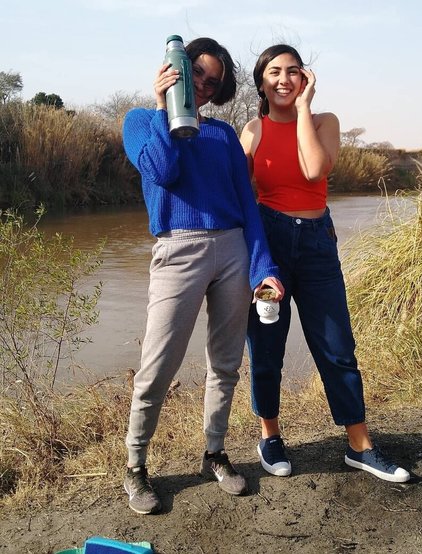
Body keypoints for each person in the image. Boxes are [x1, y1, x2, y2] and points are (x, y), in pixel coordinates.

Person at [122, 37, 284, 515]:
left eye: (213, 82)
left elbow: (247, 205)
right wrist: (164, 109)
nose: (203, 87)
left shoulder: (224, 135)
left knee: (226, 363)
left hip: (232, 248)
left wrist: (264, 267)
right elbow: (163, 170)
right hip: (178, 250)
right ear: (175, 67)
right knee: (157, 366)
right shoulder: (139, 121)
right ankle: (135, 465)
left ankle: (214, 453)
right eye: (196, 73)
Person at [240, 44, 410, 483]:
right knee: (266, 349)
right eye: (274, 72)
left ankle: (360, 446)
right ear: (261, 82)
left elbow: (315, 169)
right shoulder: (252, 131)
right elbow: (237, 195)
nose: (284, 79)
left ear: (305, 79)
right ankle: (270, 436)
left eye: (293, 71)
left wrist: (303, 108)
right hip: (269, 244)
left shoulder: (323, 122)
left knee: (337, 347)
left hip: (317, 242)